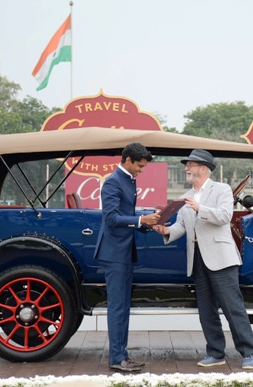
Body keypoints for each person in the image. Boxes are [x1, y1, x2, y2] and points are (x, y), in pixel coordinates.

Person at [154, 149, 253, 370]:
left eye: (190, 165)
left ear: (203, 168)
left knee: (233, 307)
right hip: (198, 258)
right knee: (206, 310)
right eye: (187, 165)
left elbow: (224, 216)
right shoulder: (185, 196)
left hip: (221, 257)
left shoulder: (221, 189)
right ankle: (215, 353)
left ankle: (248, 353)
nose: (186, 168)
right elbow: (182, 226)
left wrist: (199, 207)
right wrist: (166, 231)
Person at [94, 143, 160, 372]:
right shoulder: (113, 182)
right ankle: (116, 358)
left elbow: (126, 216)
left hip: (122, 252)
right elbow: (111, 219)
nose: (141, 170)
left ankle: (121, 355)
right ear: (128, 160)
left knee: (122, 307)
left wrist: (148, 222)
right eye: (140, 166)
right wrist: (141, 220)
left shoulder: (127, 180)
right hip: (114, 253)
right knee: (117, 308)